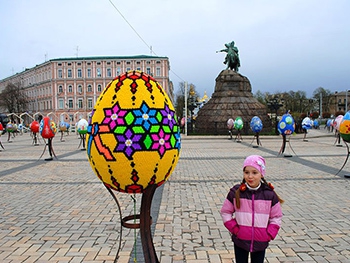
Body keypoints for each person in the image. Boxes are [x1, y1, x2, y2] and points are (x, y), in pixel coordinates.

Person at [220, 155, 283, 263]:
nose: (250, 176)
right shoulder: (236, 192)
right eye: (246, 172)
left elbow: (276, 216)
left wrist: (269, 234)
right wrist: (235, 229)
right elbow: (226, 212)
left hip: (261, 241)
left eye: (254, 172)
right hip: (240, 240)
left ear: (261, 174)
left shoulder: (269, 194)